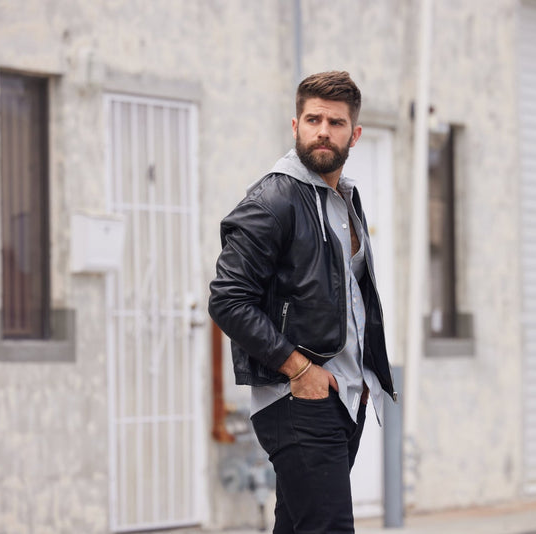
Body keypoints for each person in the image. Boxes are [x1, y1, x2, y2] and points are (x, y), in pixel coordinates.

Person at [208, 70, 396, 534]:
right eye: (313, 120)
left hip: (342, 398)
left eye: (335, 122)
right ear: (296, 126)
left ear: (354, 134)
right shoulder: (273, 200)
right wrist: (300, 370)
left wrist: (363, 377)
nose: (323, 131)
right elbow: (228, 299)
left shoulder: (344, 200)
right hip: (298, 399)